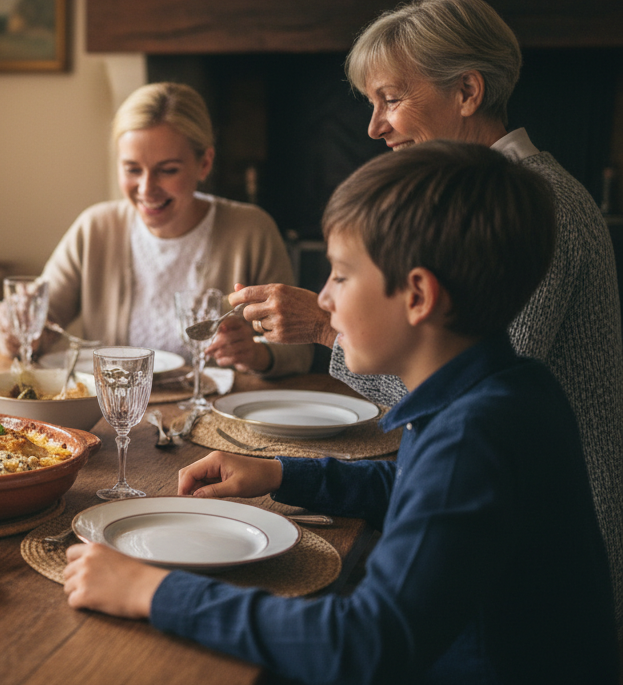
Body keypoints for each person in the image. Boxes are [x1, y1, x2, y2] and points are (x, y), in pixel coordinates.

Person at [64, 141, 617, 684]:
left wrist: (151, 591)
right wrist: (281, 472)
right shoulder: (507, 388)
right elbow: (413, 484)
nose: (323, 299)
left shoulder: (474, 433)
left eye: (341, 276)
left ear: (418, 296)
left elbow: (362, 644)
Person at [228, 0, 623, 625]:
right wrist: (285, 471)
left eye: (391, 99)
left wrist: (327, 327)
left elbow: (462, 397)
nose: (373, 126)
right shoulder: (492, 202)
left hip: (546, 561)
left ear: (467, 92)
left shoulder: (536, 210)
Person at [0, 82, 311, 376]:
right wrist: (16, 326)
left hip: (215, 415)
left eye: (168, 170)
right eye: (132, 169)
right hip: (113, 410)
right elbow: (38, 325)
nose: (146, 189)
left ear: (205, 163)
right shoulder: (95, 229)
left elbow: (300, 351)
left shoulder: (251, 230)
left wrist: (256, 354)